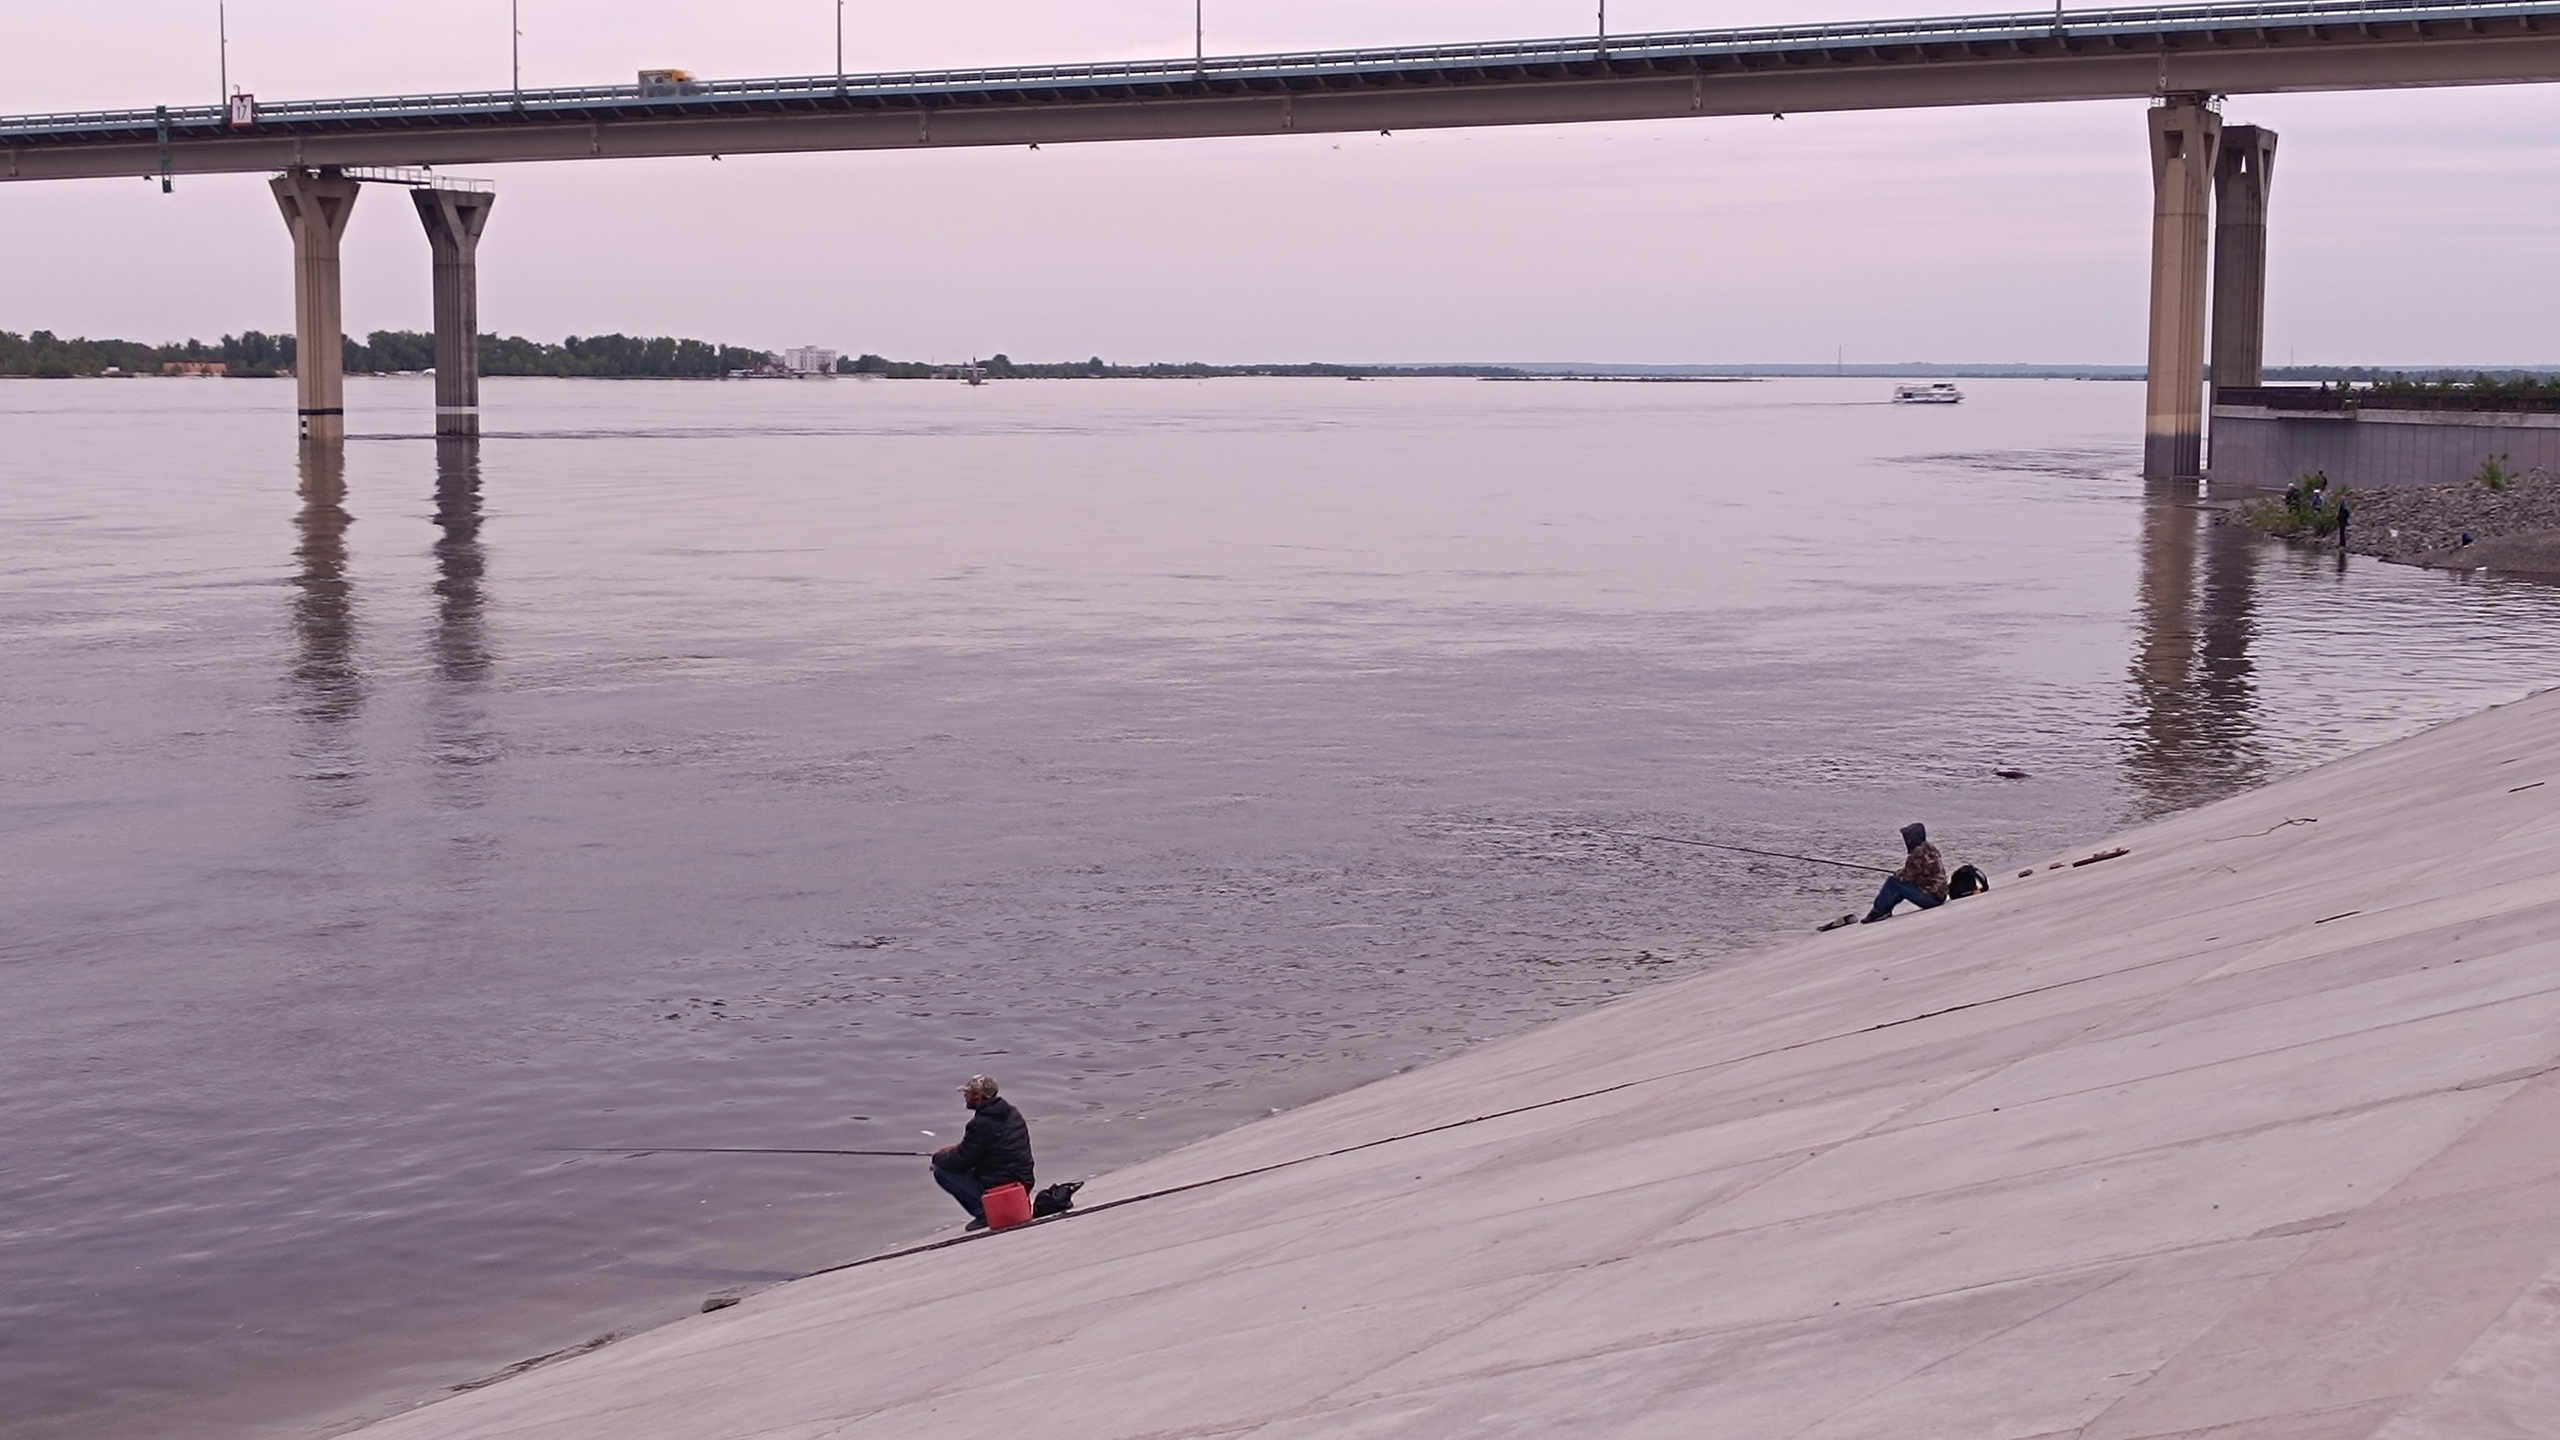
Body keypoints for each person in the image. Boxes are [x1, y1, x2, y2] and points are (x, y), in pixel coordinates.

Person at [931, 1074, 1035, 1231]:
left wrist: (938, 1157)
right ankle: (996, 1207)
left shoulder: (981, 1123)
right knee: (963, 1164)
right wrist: (957, 1148)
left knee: (942, 1171)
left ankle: (984, 1212)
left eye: (967, 1093)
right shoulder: (1011, 1113)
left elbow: (960, 1162)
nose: (965, 1097)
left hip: (1002, 1184)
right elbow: (981, 1147)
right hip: (1022, 1181)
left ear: (978, 1097)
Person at [1861, 822, 1949, 923]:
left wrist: (1897, 874)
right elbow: (1916, 872)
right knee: (1900, 885)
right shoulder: (1930, 849)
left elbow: (1906, 876)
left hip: (1931, 899)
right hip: (1940, 895)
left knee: (1892, 881)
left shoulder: (1917, 854)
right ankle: (1885, 910)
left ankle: (1877, 911)